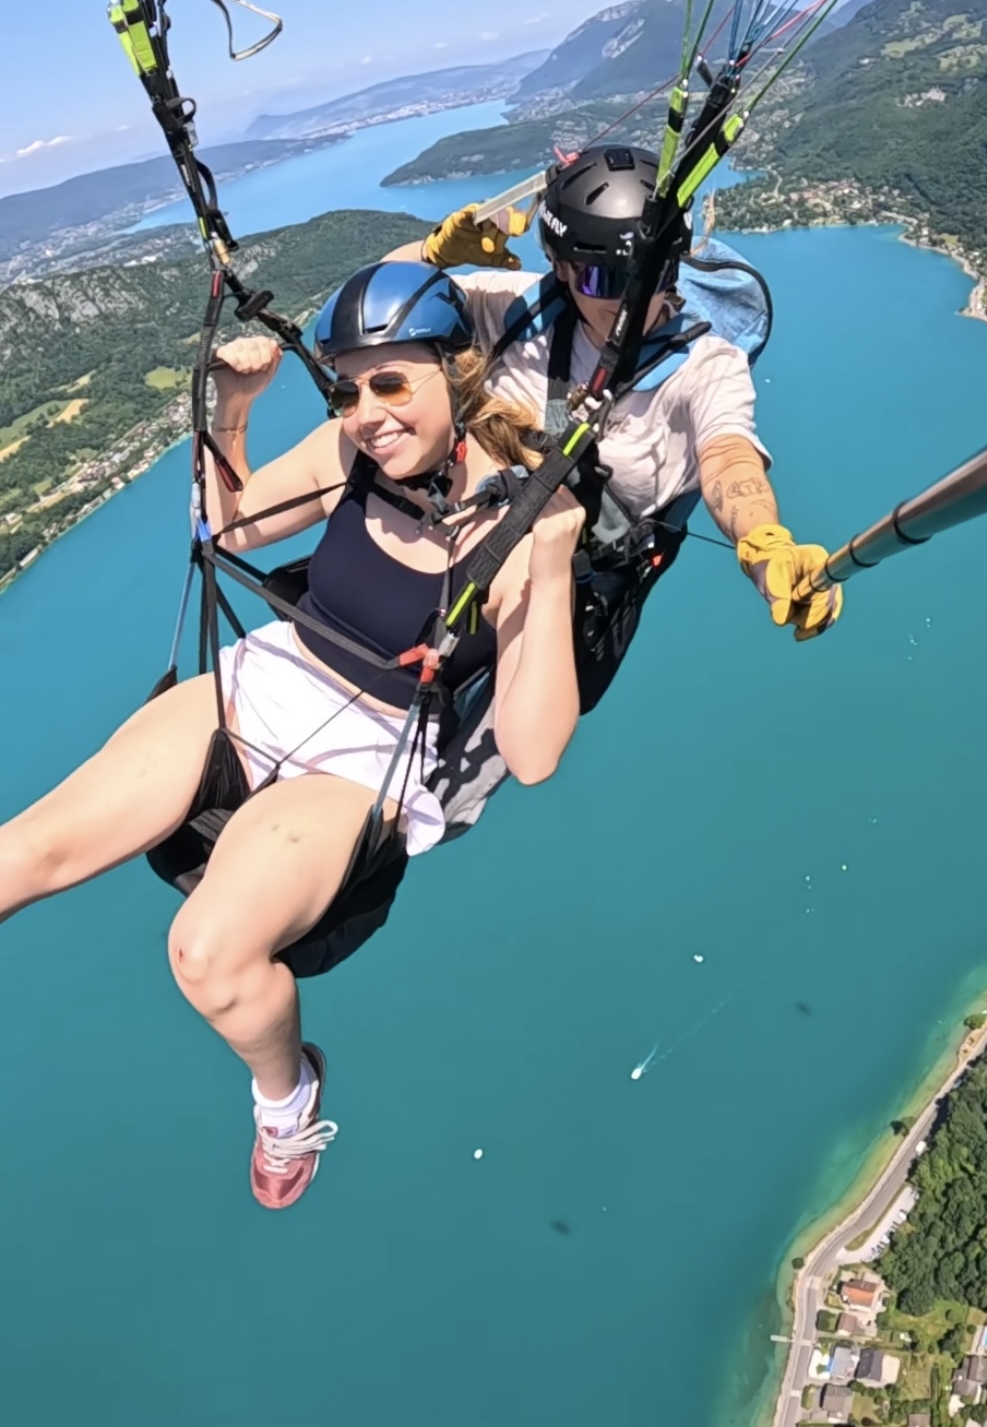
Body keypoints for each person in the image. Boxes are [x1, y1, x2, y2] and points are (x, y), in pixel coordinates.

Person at [0, 264, 583, 1211]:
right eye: (350, 386)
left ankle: (286, 1094)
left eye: (391, 382)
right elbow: (227, 529)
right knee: (17, 855)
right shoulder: (346, 455)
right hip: (268, 676)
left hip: (370, 749)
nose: (366, 410)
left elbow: (533, 752)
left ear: (457, 370)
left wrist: (550, 565)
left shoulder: (516, 524)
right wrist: (234, 409)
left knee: (210, 955)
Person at [384, 145, 843, 666]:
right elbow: (378, 315)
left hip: (568, 600)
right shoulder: (518, 310)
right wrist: (430, 255)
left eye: (650, 275)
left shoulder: (706, 366)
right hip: (452, 544)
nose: (630, 300)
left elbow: (729, 455)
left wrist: (765, 545)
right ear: (560, 268)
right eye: (603, 279)